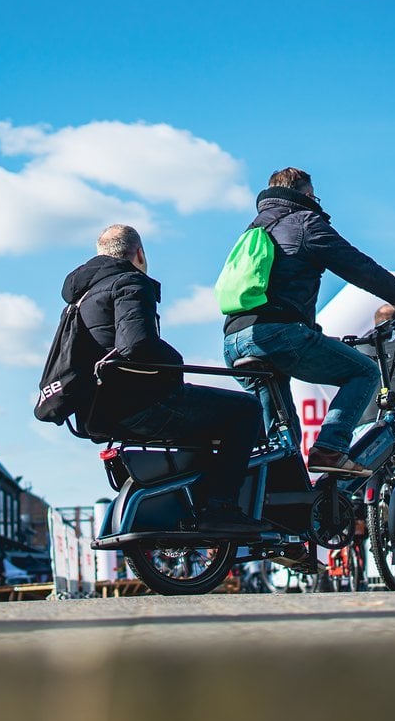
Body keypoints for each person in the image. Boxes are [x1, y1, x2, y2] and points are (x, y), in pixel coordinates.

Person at [222, 168, 395, 477]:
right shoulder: (305, 222)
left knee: (283, 445)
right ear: (307, 195)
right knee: (363, 371)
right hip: (277, 334)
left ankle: (282, 510)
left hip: (234, 341)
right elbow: (362, 268)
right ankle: (330, 449)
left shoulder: (253, 229)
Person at [65, 223, 266, 533]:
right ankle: (221, 506)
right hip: (140, 404)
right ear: (140, 253)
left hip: (97, 411)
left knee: (210, 420)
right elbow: (137, 344)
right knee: (247, 411)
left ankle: (199, 496)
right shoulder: (130, 282)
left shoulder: (82, 296)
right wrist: (175, 365)